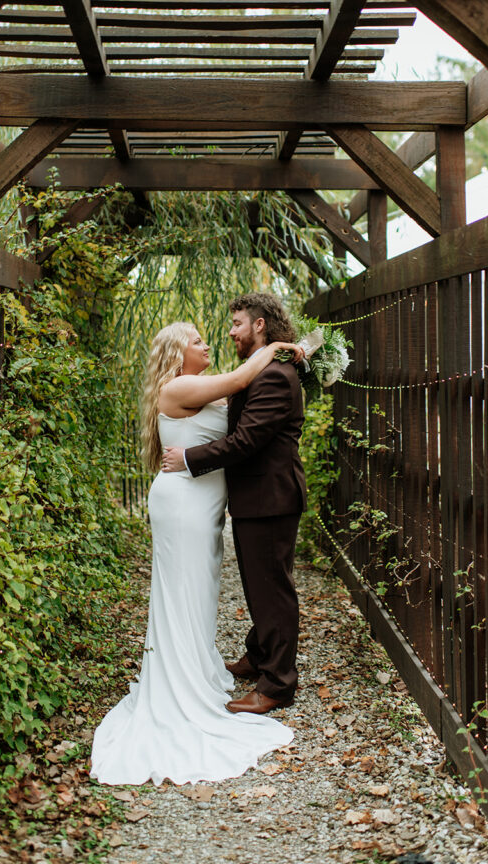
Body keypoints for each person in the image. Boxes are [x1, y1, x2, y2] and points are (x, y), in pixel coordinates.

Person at [90, 320, 303, 786]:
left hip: (204, 505)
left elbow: (248, 409)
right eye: (198, 340)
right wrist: (283, 347)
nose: (207, 345)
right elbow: (244, 378)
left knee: (200, 592)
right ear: (176, 353)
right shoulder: (180, 385)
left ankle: (193, 668)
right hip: (183, 502)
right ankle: (178, 684)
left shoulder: (201, 389)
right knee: (182, 591)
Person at [162, 293, 306, 717]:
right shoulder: (264, 369)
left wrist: (188, 459)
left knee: (272, 591)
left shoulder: (276, 375)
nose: (231, 332)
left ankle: (278, 684)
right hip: (256, 499)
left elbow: (245, 441)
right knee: (258, 585)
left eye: (238, 323)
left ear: (260, 326)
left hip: (271, 499)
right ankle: (259, 656)